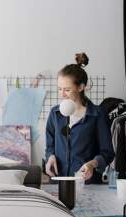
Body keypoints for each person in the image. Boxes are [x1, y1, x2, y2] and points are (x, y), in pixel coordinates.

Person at [45, 53, 115, 184]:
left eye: (67, 89)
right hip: (59, 182)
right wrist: (50, 157)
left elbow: (108, 153)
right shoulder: (55, 114)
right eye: (59, 89)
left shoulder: (97, 115)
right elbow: (50, 146)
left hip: (87, 184)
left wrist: (92, 164)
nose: (62, 94)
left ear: (81, 87)